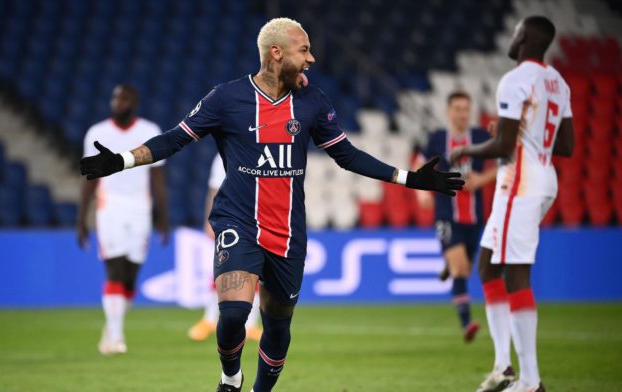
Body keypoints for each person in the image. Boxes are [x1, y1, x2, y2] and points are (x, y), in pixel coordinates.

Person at [80, 18, 463, 391]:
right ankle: (231, 376)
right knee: (231, 316)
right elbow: (174, 139)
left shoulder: (312, 101)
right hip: (238, 222)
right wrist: (121, 160)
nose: (311, 59)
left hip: (288, 232)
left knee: (277, 325)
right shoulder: (227, 98)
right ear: (276, 53)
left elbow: (347, 155)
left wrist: (410, 178)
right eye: (304, 50)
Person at [450, 16, 574, 392]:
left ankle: (531, 381)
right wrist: (517, 136)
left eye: (516, 30)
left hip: (520, 181)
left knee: (515, 273)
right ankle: (503, 366)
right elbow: (564, 145)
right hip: (541, 176)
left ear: (523, 37)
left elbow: (504, 147)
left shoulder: (516, 79)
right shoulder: (558, 82)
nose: (512, 35)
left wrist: (466, 149)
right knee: (488, 266)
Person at [77, 84, 170, 355]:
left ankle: (112, 326)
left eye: (124, 98)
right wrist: (81, 217)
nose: (118, 102)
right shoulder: (97, 133)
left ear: (135, 102)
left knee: (130, 277)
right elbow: (89, 178)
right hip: (110, 209)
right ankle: (116, 336)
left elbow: (157, 178)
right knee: (115, 269)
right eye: (116, 97)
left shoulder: (149, 131)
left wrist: (162, 216)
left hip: (140, 210)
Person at [416, 91, 497, 342]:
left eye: (466, 108)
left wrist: (481, 179)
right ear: (448, 111)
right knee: (461, 267)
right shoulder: (438, 139)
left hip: (474, 217)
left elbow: (505, 162)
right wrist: (422, 192)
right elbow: (420, 162)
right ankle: (467, 324)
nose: (462, 113)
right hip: (445, 213)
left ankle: (448, 268)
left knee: (464, 267)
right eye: (458, 108)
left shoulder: (481, 137)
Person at [189, 154, 263, 342]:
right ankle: (209, 320)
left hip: (258, 218)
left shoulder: (262, 150)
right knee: (221, 268)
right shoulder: (223, 154)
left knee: (256, 272)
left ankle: (251, 325)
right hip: (229, 219)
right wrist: (209, 218)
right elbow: (214, 189)